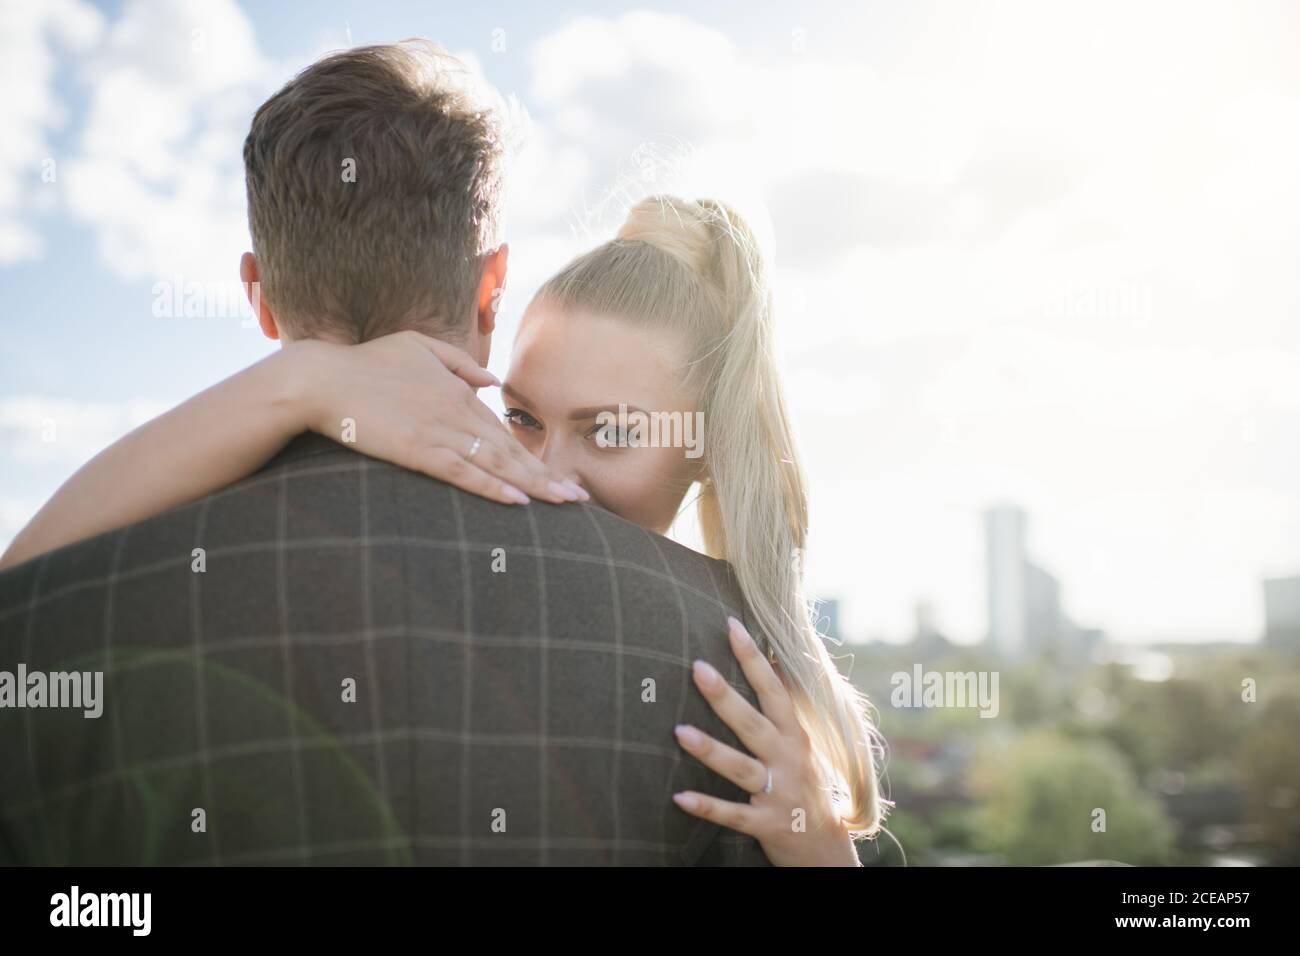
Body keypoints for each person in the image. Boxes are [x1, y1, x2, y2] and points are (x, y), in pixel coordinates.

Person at [0, 40, 886, 866]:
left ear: (259, 297)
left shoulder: (77, 608)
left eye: (611, 430)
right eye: (529, 417)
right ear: (493, 288)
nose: (554, 472)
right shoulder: (719, 667)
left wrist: (298, 380)